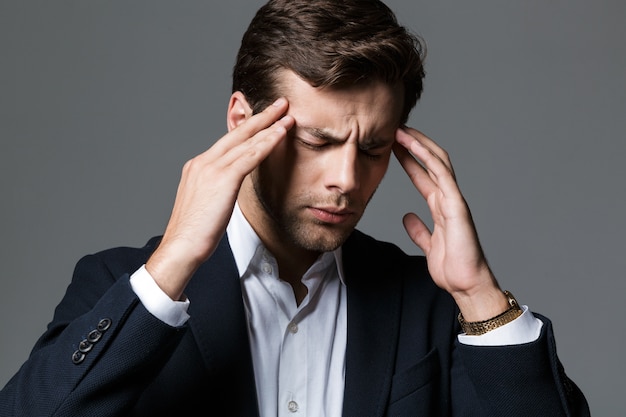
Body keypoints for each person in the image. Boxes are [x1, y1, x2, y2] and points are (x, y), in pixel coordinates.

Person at [0, 0, 590, 416]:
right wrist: (173, 263)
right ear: (242, 123)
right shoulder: (121, 287)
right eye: (317, 142)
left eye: (374, 149)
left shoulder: (432, 307)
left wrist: (480, 295)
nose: (346, 180)